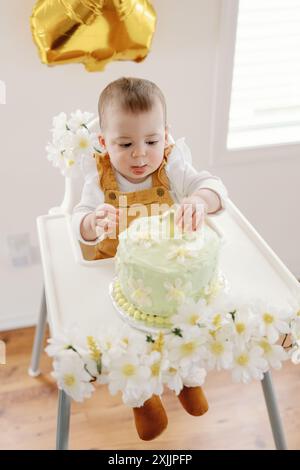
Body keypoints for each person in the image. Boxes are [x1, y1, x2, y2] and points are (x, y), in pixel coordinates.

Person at [72, 77, 228, 440]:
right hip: (119, 280)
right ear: (103, 143)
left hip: (171, 278)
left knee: (183, 332)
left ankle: (188, 379)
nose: (140, 154)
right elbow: (77, 223)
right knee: (130, 347)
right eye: (125, 144)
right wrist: (93, 222)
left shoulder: (173, 169)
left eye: (152, 141)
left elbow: (216, 188)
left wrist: (198, 200)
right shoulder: (100, 182)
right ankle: (143, 399)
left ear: (166, 136)